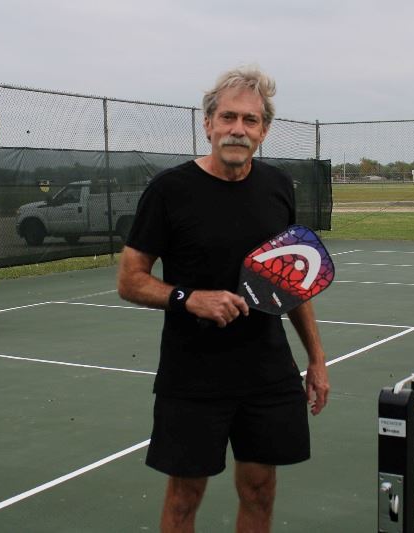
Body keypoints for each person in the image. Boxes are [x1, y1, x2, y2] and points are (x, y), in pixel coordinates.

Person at [117, 66, 330, 533]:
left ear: (264, 131)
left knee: (259, 490)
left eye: (250, 120)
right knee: (183, 499)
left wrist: (316, 359)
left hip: (267, 373)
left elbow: (291, 282)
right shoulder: (170, 191)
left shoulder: (277, 187)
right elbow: (130, 280)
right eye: (228, 117)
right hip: (193, 375)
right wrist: (187, 298)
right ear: (208, 124)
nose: (238, 129)